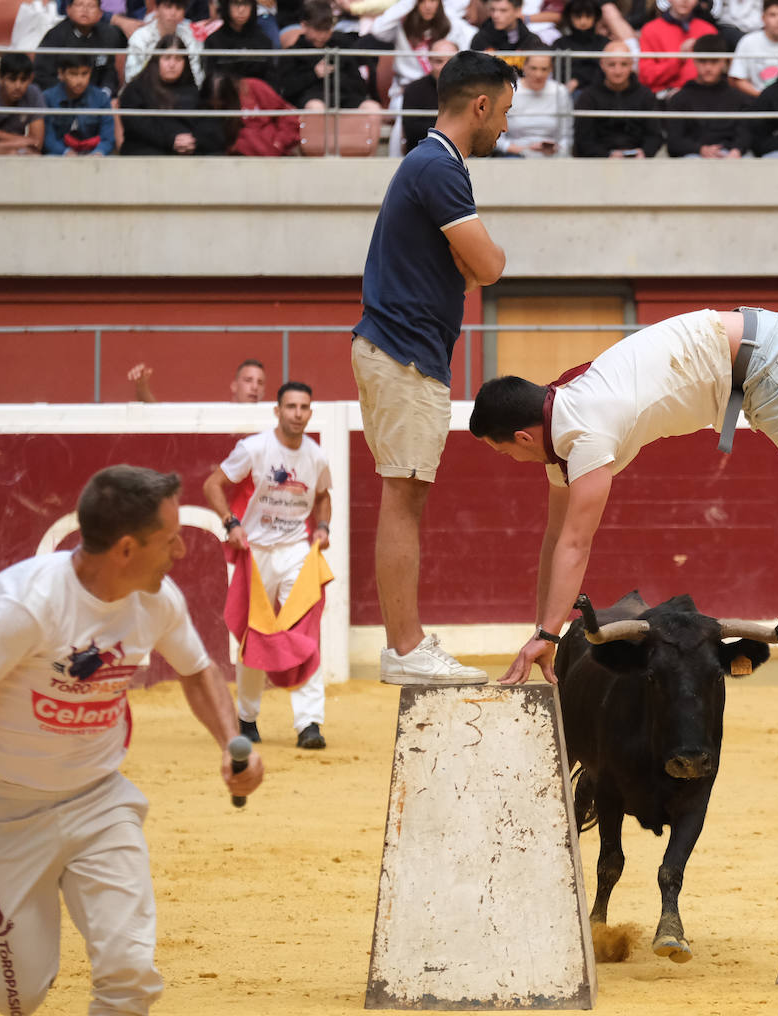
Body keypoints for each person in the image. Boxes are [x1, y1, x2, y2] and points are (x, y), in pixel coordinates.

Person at [468, 308, 778, 684]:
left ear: (523, 437)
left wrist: (551, 636)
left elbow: (576, 545)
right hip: (754, 355)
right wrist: (545, 634)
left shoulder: (585, 431)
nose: (512, 462)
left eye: (504, 453)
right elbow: (556, 539)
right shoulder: (563, 413)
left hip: (764, 362)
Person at [0, 465, 265, 1016]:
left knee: (129, 971)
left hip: (101, 802)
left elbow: (197, 671)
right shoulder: (26, 603)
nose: (180, 549)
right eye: (169, 538)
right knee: (19, 993)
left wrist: (229, 740)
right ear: (126, 549)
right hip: (4, 815)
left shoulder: (156, 599)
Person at [350, 51, 515, 686]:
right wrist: (487, 255)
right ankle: (405, 648)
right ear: (478, 106)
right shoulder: (440, 168)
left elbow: (476, 265)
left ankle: (405, 645)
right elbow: (490, 267)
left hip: (403, 348)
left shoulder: (431, 163)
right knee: (405, 494)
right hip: (406, 352)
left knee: (406, 491)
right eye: (501, 112)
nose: (503, 125)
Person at [203, 382, 332, 749]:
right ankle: (247, 717)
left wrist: (322, 527)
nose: (297, 413)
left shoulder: (316, 456)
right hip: (255, 551)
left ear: (310, 412)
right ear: (277, 411)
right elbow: (213, 484)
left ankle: (309, 723)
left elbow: (323, 498)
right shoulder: (254, 448)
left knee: (303, 635)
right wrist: (231, 523)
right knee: (254, 635)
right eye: (290, 406)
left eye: (304, 407)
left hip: (295, 551)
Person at [119, 35, 229, 155]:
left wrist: (194, 141)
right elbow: (137, 126)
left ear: (185, 62)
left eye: (178, 59)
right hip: (150, 147)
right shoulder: (136, 89)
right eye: (167, 58)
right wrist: (171, 139)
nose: (172, 64)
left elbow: (210, 127)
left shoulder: (192, 91)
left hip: (187, 149)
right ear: (157, 60)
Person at [280, 0, 385, 111]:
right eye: (318, 29)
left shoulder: (342, 46)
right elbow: (287, 90)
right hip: (312, 98)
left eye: (327, 29)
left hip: (344, 96)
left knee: (372, 107)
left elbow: (359, 85)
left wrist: (337, 76)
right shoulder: (294, 53)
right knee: (316, 107)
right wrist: (314, 74)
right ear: (304, 26)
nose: (322, 35)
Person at [363, 0, 476, 102]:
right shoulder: (401, 24)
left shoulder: (449, 23)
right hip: (407, 90)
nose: (428, 6)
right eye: (422, 1)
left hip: (443, 90)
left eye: (432, 1)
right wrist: (408, 3)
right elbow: (377, 29)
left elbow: (474, 37)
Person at [572, 41, 665, 155]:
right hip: (598, 164)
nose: (618, 71)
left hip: (638, 162)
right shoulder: (588, 97)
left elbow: (655, 135)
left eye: (624, 64)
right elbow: (583, 140)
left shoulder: (645, 95)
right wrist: (606, 156)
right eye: (612, 65)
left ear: (631, 65)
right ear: (602, 65)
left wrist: (644, 153)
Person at [666, 33, 751, 155]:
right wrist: (700, 150)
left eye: (714, 61)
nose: (708, 67)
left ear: (724, 62)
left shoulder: (739, 98)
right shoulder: (680, 99)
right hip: (694, 157)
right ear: (694, 61)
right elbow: (674, 142)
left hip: (731, 155)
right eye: (702, 61)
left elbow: (745, 135)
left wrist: (737, 150)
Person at [33, 0, 127, 96]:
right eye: (79, 4)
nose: (85, 10)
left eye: (91, 6)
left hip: (96, 99)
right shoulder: (55, 36)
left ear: (100, 13)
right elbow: (42, 74)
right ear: (68, 9)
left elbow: (109, 73)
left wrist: (105, 94)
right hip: (62, 99)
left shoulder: (108, 34)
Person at [206, 70, 303, 155]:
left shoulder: (252, 87)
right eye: (213, 105)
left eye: (220, 103)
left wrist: (279, 143)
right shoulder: (215, 117)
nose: (216, 108)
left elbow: (286, 114)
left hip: (273, 152)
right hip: (240, 158)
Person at [496, 49, 573, 155]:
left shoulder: (560, 91)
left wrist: (556, 148)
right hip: (515, 154)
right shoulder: (509, 90)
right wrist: (523, 149)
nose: (538, 74)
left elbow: (566, 135)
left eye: (544, 69)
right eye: (533, 68)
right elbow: (497, 138)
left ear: (551, 70)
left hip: (552, 155)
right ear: (524, 67)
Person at [42, 52, 116, 156]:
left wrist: (98, 152)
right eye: (73, 74)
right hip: (59, 155)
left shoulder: (101, 98)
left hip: (93, 154)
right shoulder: (47, 98)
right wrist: (65, 152)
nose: (79, 80)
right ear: (61, 74)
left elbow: (108, 137)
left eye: (84, 73)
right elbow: (47, 137)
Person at [637, 0, 719, 93]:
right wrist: (679, 58)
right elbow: (647, 77)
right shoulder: (650, 30)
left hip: (700, 96)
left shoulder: (708, 30)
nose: (685, 1)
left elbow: (715, 74)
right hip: (663, 97)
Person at [398, 38, 459, 152]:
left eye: (450, 61)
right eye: (439, 61)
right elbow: (412, 132)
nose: (445, 67)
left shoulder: (471, 90)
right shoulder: (414, 90)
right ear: (429, 61)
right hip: (424, 155)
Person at [126, 0, 204, 83]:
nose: (173, 13)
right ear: (157, 9)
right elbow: (131, 76)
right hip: (146, 91)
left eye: (178, 8)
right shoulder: (140, 36)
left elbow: (197, 77)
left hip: (181, 90)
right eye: (168, 7)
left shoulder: (190, 37)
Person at [204, 0, 280, 85]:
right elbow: (210, 82)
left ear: (253, 7)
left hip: (256, 94)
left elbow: (271, 81)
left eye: (246, 4)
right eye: (235, 3)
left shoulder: (264, 41)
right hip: (226, 94)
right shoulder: (213, 41)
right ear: (226, 6)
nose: (241, 9)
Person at [730, 0, 778, 98]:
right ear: (763, 18)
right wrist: (764, 97)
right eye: (773, 15)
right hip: (756, 101)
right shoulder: (748, 41)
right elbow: (737, 78)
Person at [129, 357, 267, 402]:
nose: (255, 387)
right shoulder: (217, 415)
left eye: (260, 382)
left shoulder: (274, 423)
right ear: (234, 386)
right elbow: (157, 415)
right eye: (248, 380)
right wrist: (142, 387)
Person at [552, 0, 609, 93]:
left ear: (595, 17)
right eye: (578, 17)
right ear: (570, 18)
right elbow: (559, 73)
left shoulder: (605, 43)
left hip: (600, 92)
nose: (583, 21)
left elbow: (606, 72)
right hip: (568, 92)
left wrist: (578, 80)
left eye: (588, 16)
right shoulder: (560, 44)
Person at [471, 0, 547, 55]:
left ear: (518, 11)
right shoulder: (480, 39)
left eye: (503, 10)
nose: (495, 15)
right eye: (493, 10)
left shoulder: (532, 41)